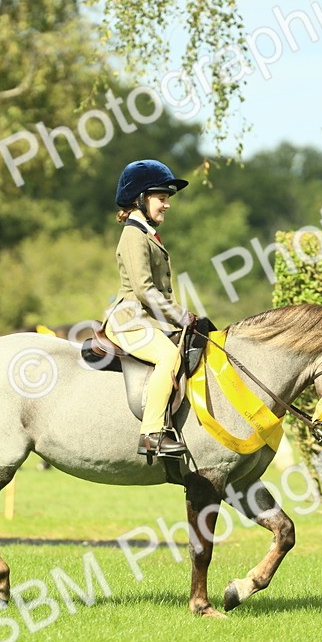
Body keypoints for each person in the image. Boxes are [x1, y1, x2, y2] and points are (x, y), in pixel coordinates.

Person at [103, 159, 194, 457]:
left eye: (167, 199)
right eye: (162, 198)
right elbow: (144, 289)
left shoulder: (147, 234)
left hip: (149, 321)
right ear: (140, 199)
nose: (167, 204)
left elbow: (163, 291)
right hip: (129, 321)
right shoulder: (133, 236)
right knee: (168, 356)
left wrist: (185, 319)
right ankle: (152, 434)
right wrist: (179, 316)